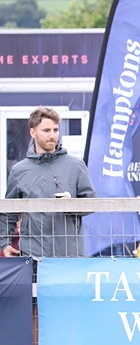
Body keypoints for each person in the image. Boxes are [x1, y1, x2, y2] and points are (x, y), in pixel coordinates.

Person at [1, 106, 97, 257]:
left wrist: (71, 204)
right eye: (46, 130)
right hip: (33, 255)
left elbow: (92, 202)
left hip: (69, 255)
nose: (52, 135)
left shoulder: (76, 166)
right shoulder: (19, 171)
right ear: (32, 132)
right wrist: (4, 243)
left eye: (55, 130)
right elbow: (8, 213)